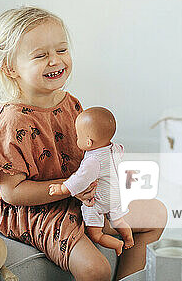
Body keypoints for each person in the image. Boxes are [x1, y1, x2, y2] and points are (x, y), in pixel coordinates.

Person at [0, 6, 167, 281]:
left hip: (80, 196)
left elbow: (88, 154)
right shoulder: (12, 122)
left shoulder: (71, 103)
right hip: (38, 208)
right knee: (95, 269)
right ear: (10, 68)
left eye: (61, 51)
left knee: (156, 214)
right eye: (41, 55)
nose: (55, 61)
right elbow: (12, 194)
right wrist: (68, 190)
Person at [49, 107, 134, 256]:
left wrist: (63, 189)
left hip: (98, 201)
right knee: (119, 222)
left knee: (96, 234)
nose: (76, 139)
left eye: (77, 136)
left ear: (88, 142)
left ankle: (118, 244)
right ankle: (128, 238)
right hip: (116, 196)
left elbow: (80, 179)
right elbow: (121, 153)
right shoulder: (115, 148)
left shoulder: (93, 161)